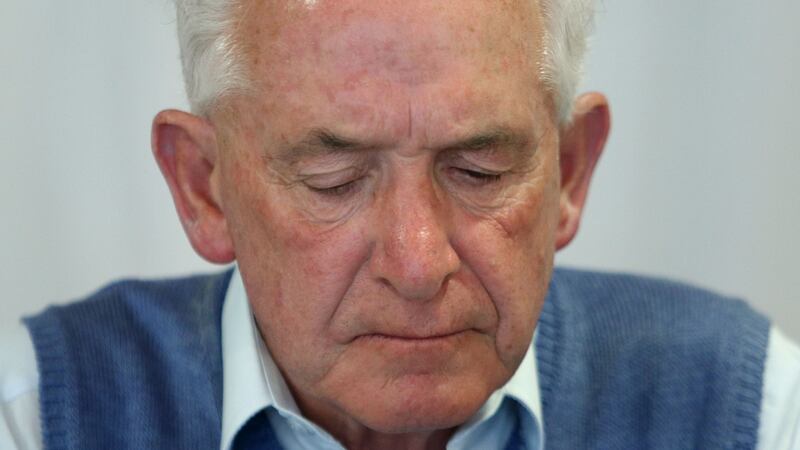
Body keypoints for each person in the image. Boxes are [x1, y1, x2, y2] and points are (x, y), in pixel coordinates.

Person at [2, 0, 799, 448]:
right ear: (204, 188)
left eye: (478, 171)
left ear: (569, 172)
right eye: (334, 179)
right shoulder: (38, 417)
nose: (418, 263)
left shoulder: (749, 410)